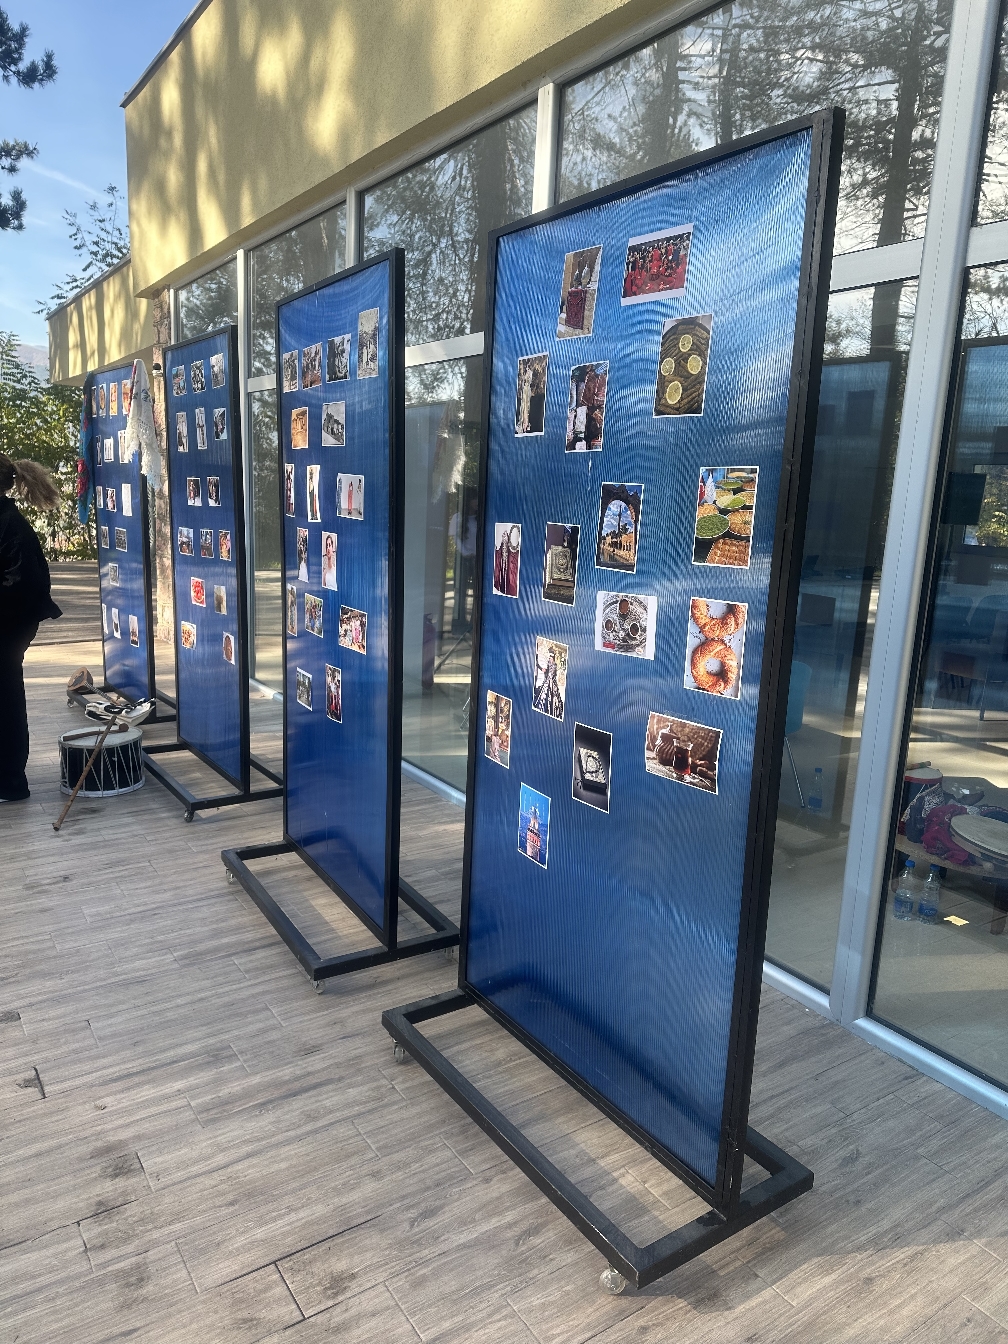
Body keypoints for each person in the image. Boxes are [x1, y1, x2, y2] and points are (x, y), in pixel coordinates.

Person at [0, 452, 62, 801]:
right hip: (8, 622)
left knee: (5, 701)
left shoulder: (11, 524)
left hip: (9, 626)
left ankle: (10, 782)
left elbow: (24, 585)